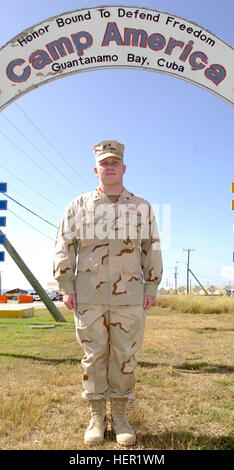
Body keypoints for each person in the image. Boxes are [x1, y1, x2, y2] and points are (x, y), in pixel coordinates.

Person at [53, 140, 163, 446]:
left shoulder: (141, 207)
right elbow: (64, 246)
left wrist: (151, 286)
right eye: (104, 163)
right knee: (94, 357)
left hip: (129, 296)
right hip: (88, 295)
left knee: (124, 356)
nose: (110, 167)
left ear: (124, 168)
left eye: (114, 162)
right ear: (95, 169)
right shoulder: (78, 206)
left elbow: (151, 247)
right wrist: (65, 286)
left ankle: (121, 416)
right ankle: (97, 418)